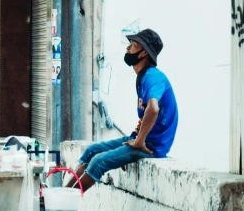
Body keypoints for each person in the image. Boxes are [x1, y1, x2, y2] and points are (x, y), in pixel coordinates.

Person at [67, 29, 179, 191]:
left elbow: (153, 109)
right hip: (140, 139)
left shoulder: (153, 77)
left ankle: (66, 203)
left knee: (98, 161)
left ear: (143, 54)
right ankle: (63, 194)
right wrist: (125, 151)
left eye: (133, 46)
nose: (128, 49)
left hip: (152, 146)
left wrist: (139, 141)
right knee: (91, 151)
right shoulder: (143, 77)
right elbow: (148, 113)